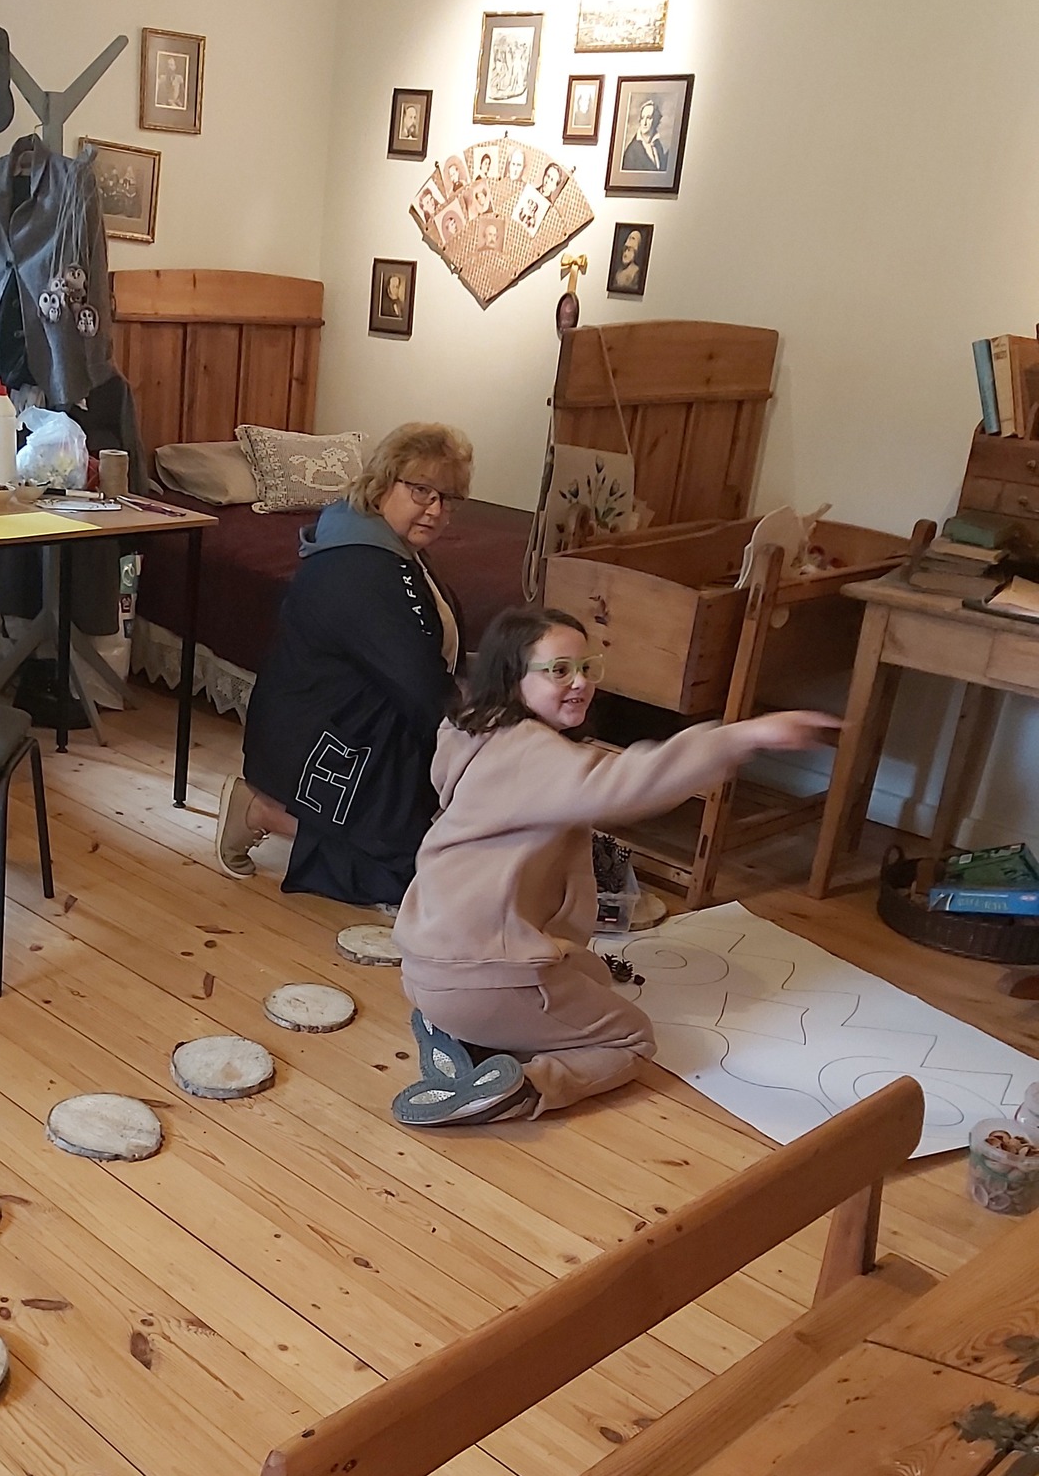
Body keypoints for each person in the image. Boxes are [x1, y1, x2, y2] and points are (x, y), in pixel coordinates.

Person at [390, 608, 840, 1125]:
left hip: (424, 967)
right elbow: (631, 782)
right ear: (513, 677)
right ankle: (522, 1090)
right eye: (559, 671)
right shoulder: (530, 752)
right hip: (481, 978)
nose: (580, 682)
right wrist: (744, 737)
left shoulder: (472, 732)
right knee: (631, 1038)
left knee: (592, 974)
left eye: (587, 667)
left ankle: (463, 1033)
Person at [215, 422, 472, 908]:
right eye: (421, 490)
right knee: (412, 876)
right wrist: (487, 736)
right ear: (383, 483)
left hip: (360, 719)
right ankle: (260, 810)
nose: (436, 509)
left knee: (441, 858)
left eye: (448, 497)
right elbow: (420, 686)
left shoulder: (383, 545)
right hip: (325, 739)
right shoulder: (361, 568)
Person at [622, 98, 668, 172]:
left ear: (656, 120)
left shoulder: (658, 145)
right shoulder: (632, 151)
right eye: (642, 118)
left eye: (649, 118)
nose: (644, 122)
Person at [612, 228, 646, 292]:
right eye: (625, 250)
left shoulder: (636, 272)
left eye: (629, 250)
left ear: (635, 253)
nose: (625, 254)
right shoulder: (618, 272)